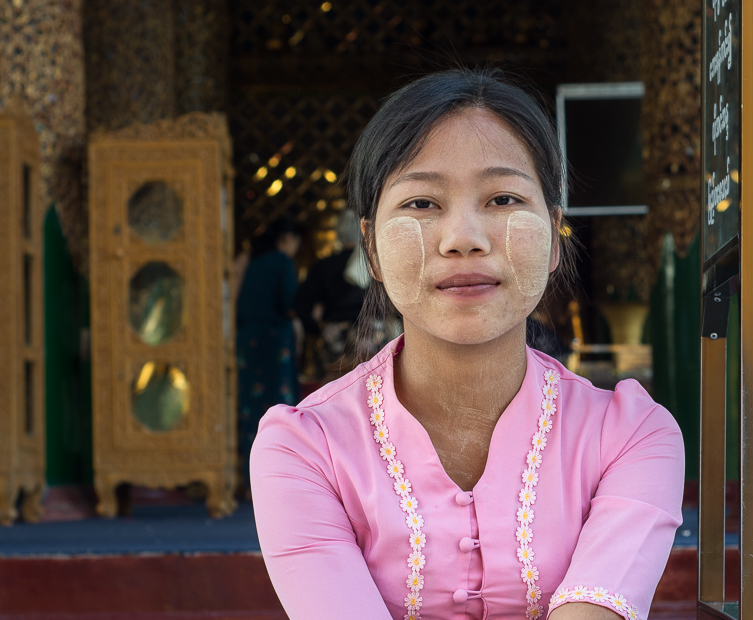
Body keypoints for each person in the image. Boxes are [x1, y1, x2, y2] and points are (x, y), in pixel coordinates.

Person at [251, 69, 684, 620]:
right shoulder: (304, 450)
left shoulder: (631, 437)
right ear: (373, 251)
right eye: (422, 204)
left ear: (553, 235)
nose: (464, 239)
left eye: (502, 198)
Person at [236, 217, 302, 493]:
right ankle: (276, 483)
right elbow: (289, 303)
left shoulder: (252, 261)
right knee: (279, 409)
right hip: (274, 341)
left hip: (249, 340)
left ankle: (248, 480)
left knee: (250, 406)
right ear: (288, 238)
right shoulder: (281, 262)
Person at [294, 210, 370, 373]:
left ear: (338, 233)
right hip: (370, 337)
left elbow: (301, 304)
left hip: (334, 339)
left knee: (336, 388)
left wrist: (318, 329)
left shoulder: (324, 266)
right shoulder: (372, 264)